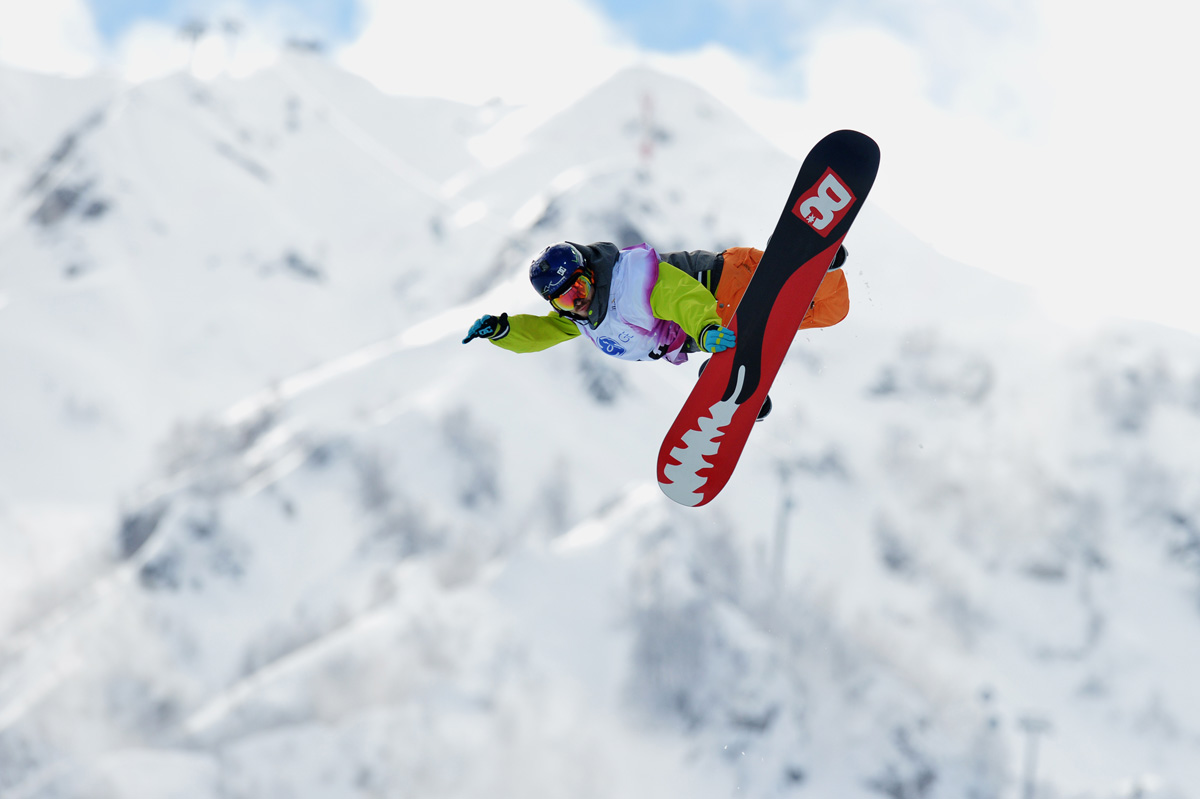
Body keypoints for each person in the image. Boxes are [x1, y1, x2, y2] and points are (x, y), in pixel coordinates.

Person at [462, 241, 850, 419]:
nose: (576, 301)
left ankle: (811, 258)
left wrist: (704, 329)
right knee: (830, 312)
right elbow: (545, 331)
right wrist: (503, 331)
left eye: (578, 287)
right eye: (564, 299)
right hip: (718, 322)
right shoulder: (584, 316)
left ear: (588, 273)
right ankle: (734, 378)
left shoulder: (630, 279)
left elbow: (680, 297)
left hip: (724, 286)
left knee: (826, 306)